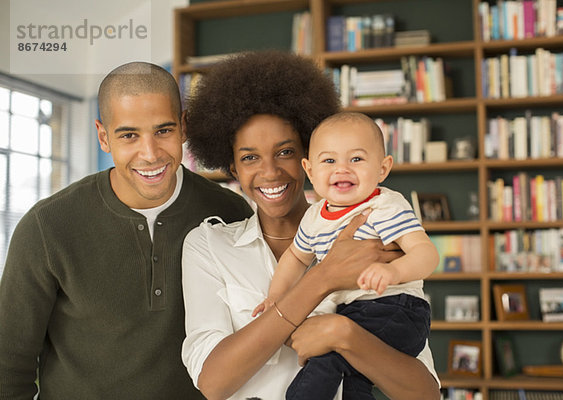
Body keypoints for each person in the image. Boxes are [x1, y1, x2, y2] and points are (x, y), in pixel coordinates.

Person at [181, 50, 440, 400]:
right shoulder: (209, 246)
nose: (270, 172)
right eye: (249, 157)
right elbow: (212, 383)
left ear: (307, 160)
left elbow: (425, 393)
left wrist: (343, 333)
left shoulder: (374, 228)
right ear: (232, 168)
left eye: (285, 151)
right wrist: (323, 278)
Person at [0, 62, 252, 399]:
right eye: (129, 135)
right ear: (103, 136)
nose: (150, 154)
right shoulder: (47, 227)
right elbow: (8, 364)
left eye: (163, 131)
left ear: (183, 127)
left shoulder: (231, 213)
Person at [251, 111, 439, 400]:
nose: (342, 169)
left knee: (326, 360)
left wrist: (394, 272)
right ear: (310, 170)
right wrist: (276, 299)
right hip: (354, 314)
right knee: (351, 378)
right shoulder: (314, 217)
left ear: (382, 168)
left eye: (356, 159)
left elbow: (427, 255)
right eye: (329, 161)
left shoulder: (383, 206)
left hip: (396, 309)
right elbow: (295, 258)